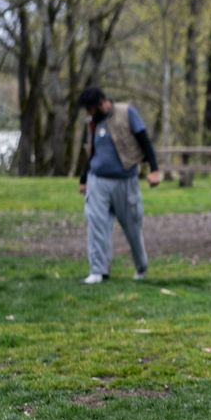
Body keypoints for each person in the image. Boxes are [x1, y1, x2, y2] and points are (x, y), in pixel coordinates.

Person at [76, 87, 160, 284]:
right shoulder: (93, 123)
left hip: (125, 181)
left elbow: (145, 142)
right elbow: (92, 152)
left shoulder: (127, 113)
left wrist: (154, 170)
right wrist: (83, 179)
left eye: (90, 108)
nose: (89, 113)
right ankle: (98, 271)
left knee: (132, 227)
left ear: (100, 103)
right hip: (98, 181)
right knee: (96, 224)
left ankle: (141, 267)